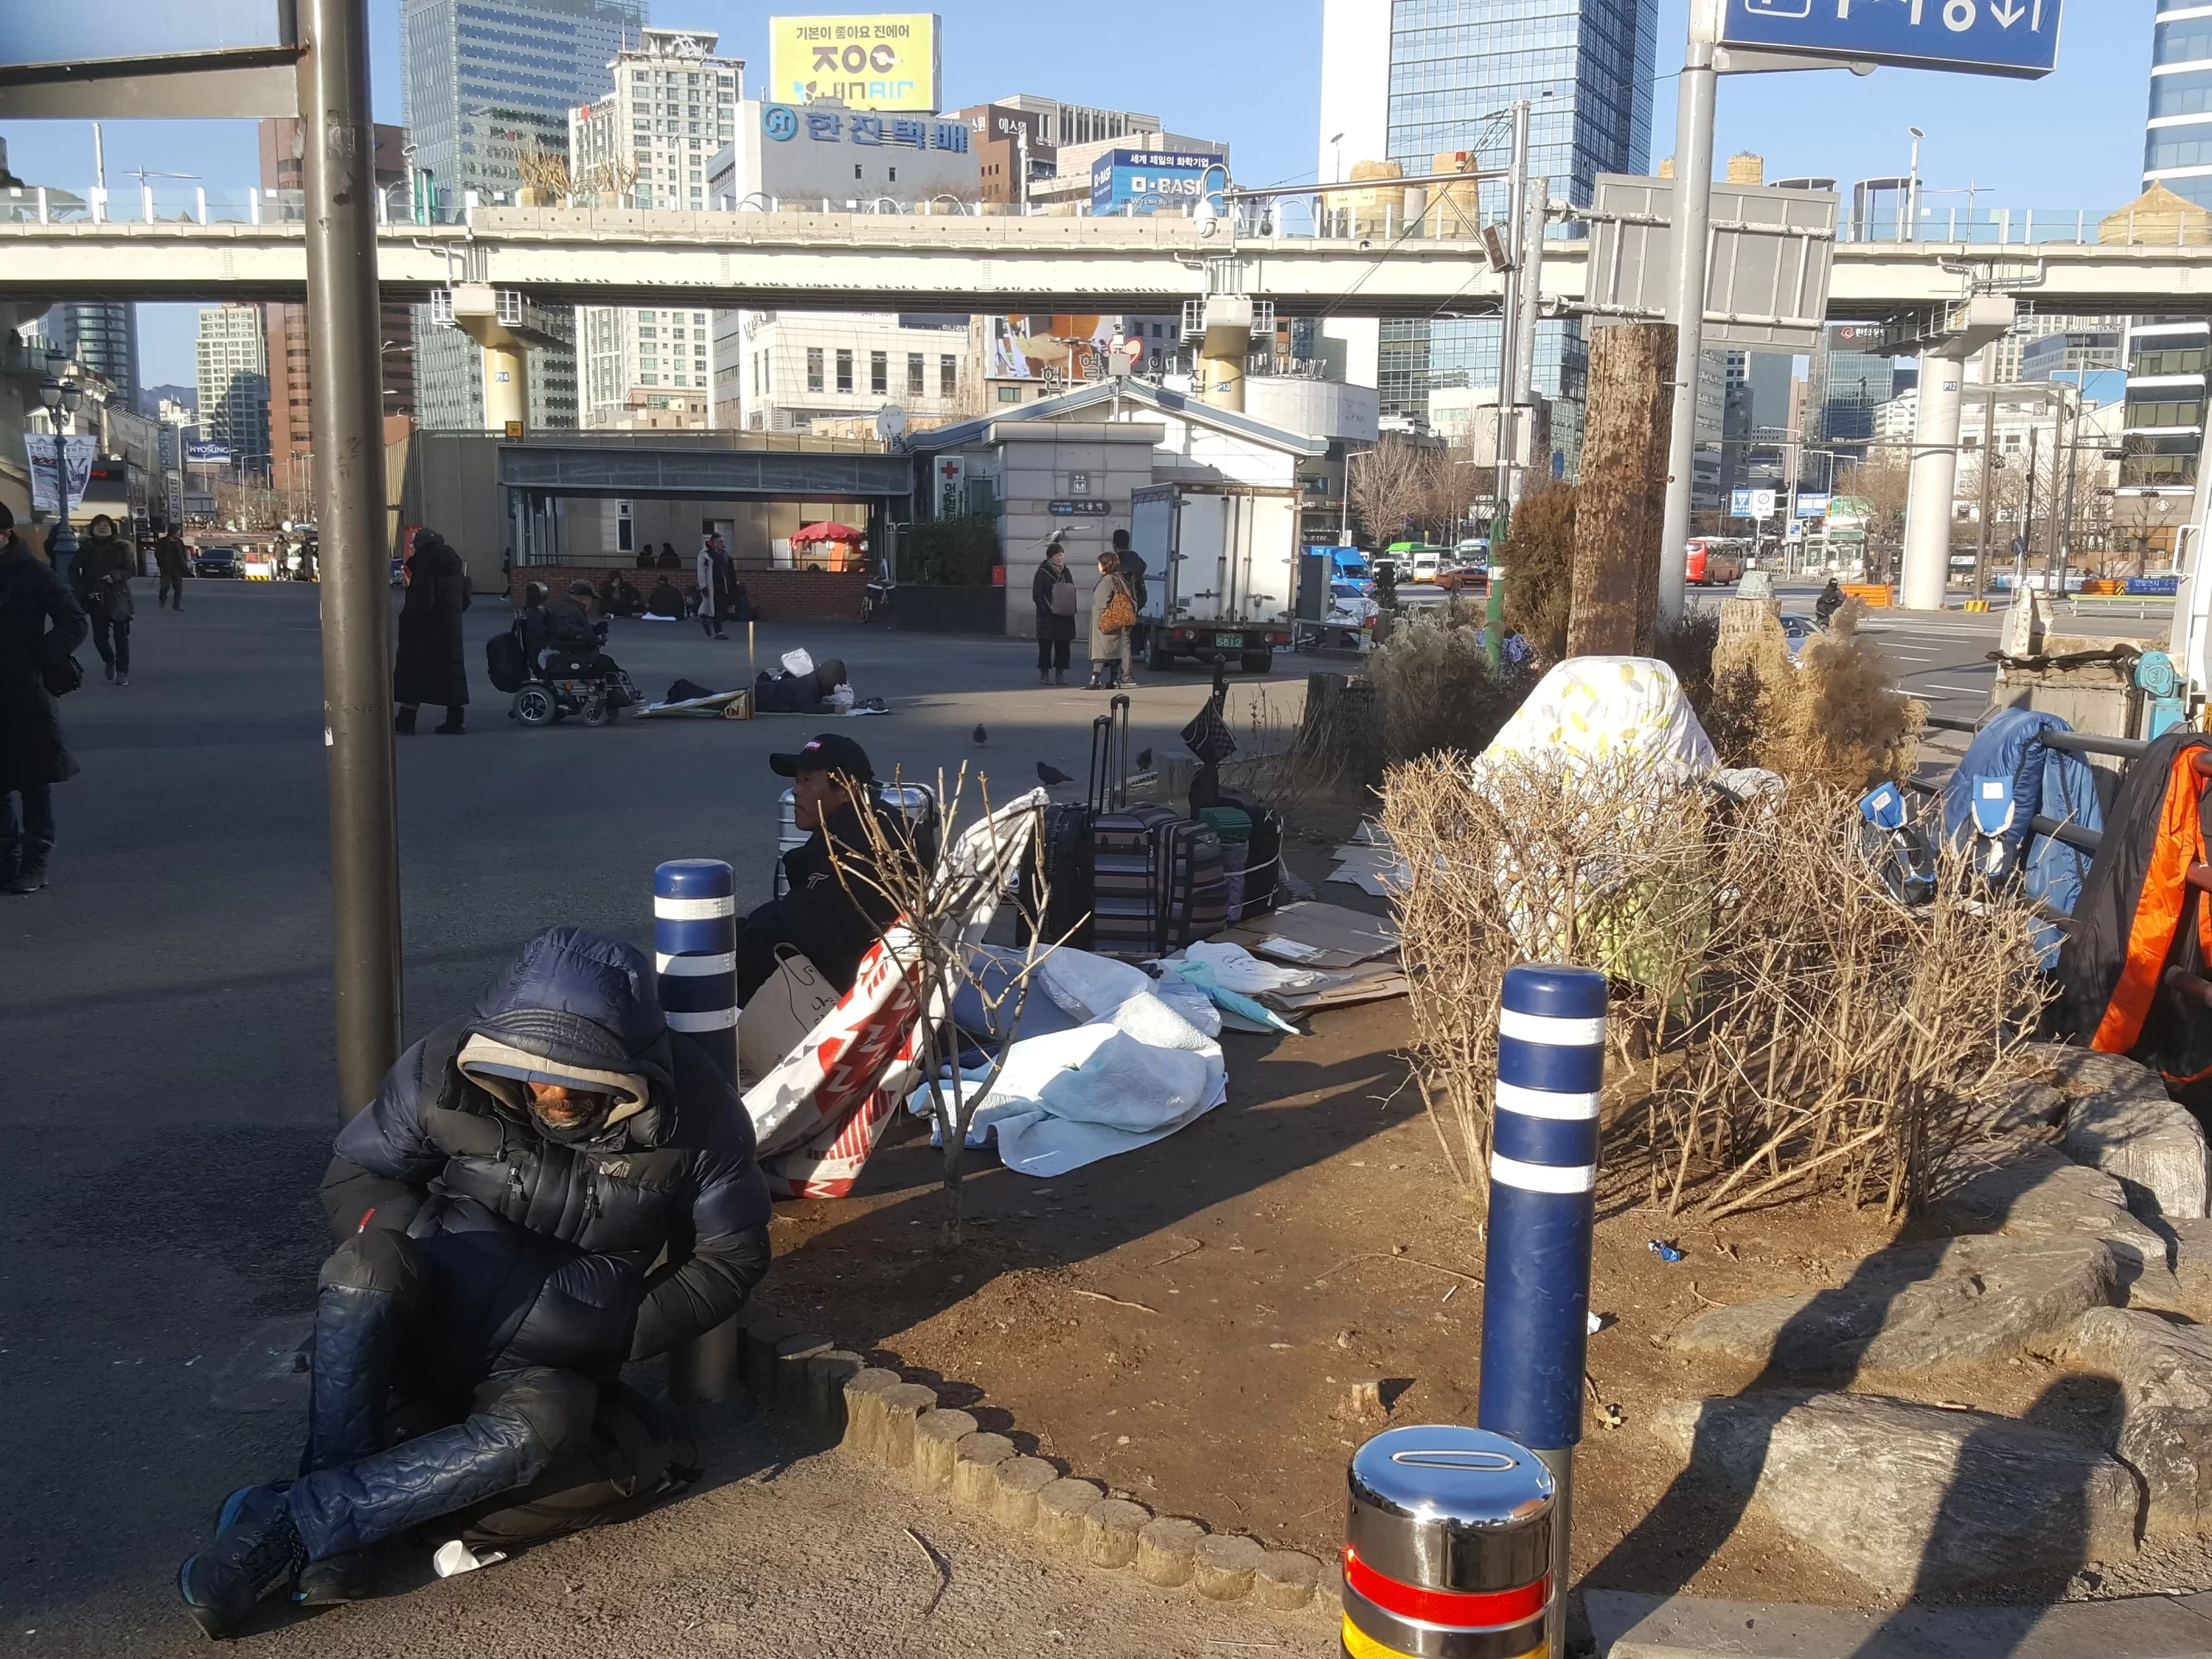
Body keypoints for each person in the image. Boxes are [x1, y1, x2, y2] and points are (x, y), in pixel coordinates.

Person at [175, 925, 772, 1636]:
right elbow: (357, 1172)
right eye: (534, 1070)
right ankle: (334, 1531)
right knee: (365, 1266)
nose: (550, 1089)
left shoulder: (700, 1115)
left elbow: (731, 1254)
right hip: (425, 1308)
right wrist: (419, 1240)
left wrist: (621, 1331)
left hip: (547, 1360)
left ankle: (291, 1519)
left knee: (553, 1418)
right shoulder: (445, 1065)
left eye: (576, 1077)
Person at [735, 734, 906, 1005]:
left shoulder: (854, 853)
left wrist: (730, 939)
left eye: (807, 781)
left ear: (845, 789)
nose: (796, 791)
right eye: (796, 781)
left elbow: (792, 935)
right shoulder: (878, 820)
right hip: (868, 972)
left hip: (846, 995)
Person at [0, 503, 86, 896]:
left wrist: (43, 655)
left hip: (23, 688)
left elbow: (74, 620)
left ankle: (36, 860)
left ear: (5, 536)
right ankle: (6, 859)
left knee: (34, 780)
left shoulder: (32, 573)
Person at [393, 530, 471, 734]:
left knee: (413, 674)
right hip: (450, 629)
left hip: (424, 631)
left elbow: (422, 602)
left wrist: (406, 620)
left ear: (421, 546)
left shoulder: (425, 565)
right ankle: (456, 720)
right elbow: (465, 599)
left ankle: (406, 719)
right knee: (451, 673)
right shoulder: (454, 564)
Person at [70, 512, 136, 687]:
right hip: (95, 597)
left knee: (121, 637)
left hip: (117, 596)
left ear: (112, 529)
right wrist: (83, 589)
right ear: (92, 529)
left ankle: (122, 672)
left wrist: (115, 576)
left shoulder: (121, 548)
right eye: (98, 525)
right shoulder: (85, 549)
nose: (102, 527)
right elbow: (72, 570)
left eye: (105, 525)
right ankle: (109, 659)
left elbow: (130, 570)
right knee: (100, 638)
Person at [1032, 537, 1077, 686]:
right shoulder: (1042, 573)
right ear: (1050, 557)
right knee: (1045, 646)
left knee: (1063, 646)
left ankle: (1060, 673)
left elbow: (1071, 590)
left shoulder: (1066, 572)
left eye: (1061, 555)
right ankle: (1044, 673)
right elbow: (1037, 594)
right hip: (1048, 616)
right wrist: (1045, 610)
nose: (1060, 558)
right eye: (1057, 556)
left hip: (1065, 615)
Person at [1087, 550, 1130, 691]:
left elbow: (1100, 604)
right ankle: (1114, 679)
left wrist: (1098, 621)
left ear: (1106, 564)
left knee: (1101, 650)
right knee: (1114, 651)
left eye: (1100, 563)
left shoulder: (1107, 581)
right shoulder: (1119, 579)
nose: (1098, 566)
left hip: (1105, 620)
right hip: (1118, 620)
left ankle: (1095, 679)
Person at [696, 534, 734, 640]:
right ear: (714, 543)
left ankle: (707, 620)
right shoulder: (705, 555)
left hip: (723, 585)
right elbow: (701, 571)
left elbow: (728, 570)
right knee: (716, 607)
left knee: (721, 607)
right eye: (720, 541)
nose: (723, 544)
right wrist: (703, 586)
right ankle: (719, 631)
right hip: (712, 585)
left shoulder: (724, 554)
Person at [154, 528, 189, 612]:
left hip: (178, 568)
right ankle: (162, 598)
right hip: (166, 568)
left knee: (178, 588)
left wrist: (185, 564)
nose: (178, 533)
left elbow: (183, 554)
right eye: (177, 532)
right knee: (165, 586)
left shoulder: (179, 542)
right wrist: (161, 562)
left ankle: (176, 606)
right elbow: (157, 553)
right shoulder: (162, 541)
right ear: (172, 532)